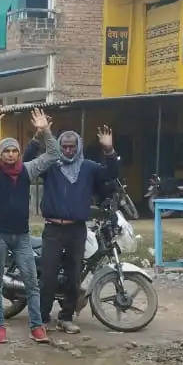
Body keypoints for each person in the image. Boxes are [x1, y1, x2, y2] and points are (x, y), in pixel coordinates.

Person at [0, 104, 62, 344]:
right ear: (0, 155)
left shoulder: (28, 170)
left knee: (33, 284)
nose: (11, 154)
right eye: (6, 151)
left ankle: (36, 327)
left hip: (22, 236)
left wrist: (45, 131)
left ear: (19, 152)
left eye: (14, 150)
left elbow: (53, 155)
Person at [38, 124, 119, 334]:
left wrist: (109, 150)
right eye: (64, 147)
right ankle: (43, 318)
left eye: (72, 147)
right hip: (53, 229)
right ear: (59, 146)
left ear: (78, 147)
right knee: (48, 277)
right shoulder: (50, 166)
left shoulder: (88, 167)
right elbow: (30, 162)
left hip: (77, 230)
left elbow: (111, 173)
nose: (67, 151)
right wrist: (41, 135)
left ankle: (65, 318)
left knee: (74, 277)